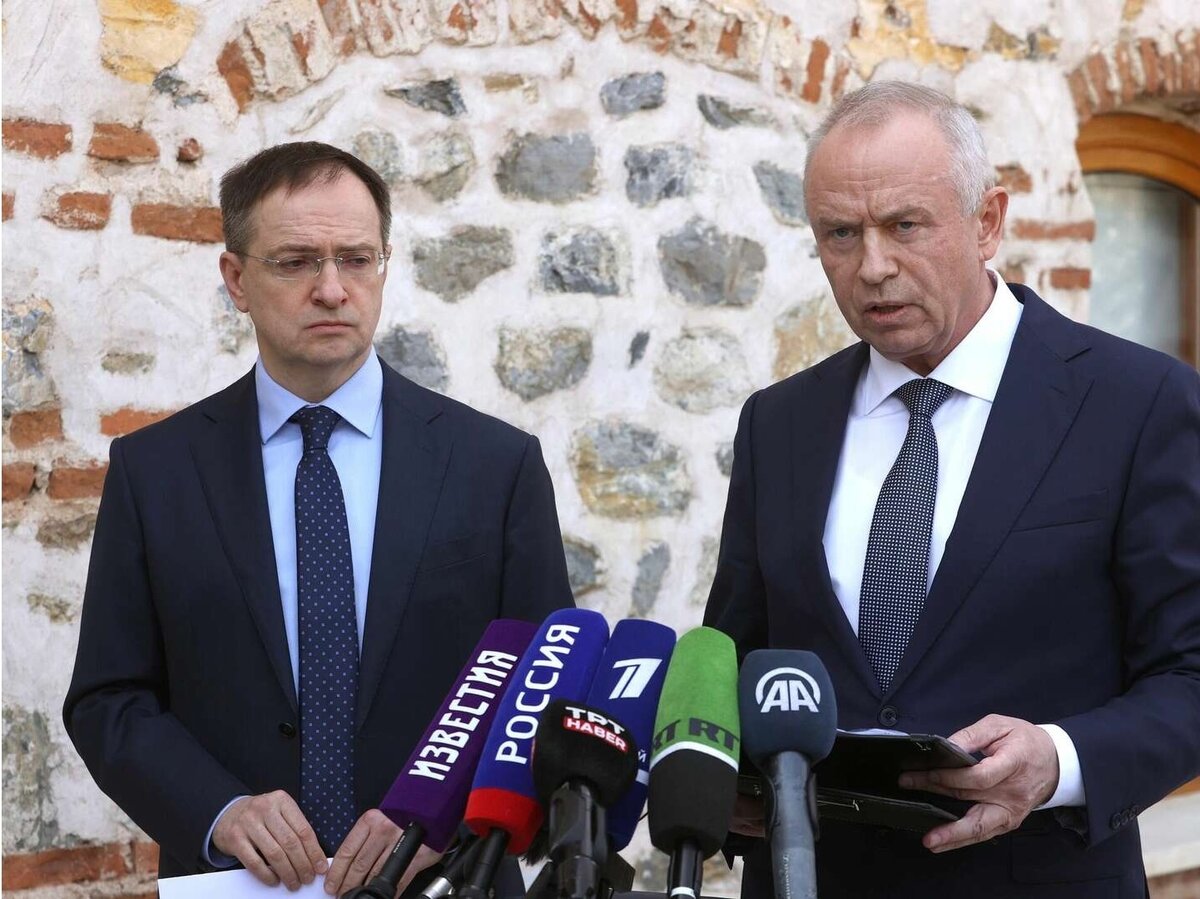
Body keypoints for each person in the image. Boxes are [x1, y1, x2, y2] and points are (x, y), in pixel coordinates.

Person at [704, 82, 1200, 897]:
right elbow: (731, 657)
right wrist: (720, 777)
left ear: (988, 221)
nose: (872, 267)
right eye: (840, 233)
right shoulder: (779, 422)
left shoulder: (1138, 404)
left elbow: (1190, 673)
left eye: (905, 225)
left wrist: (1059, 760)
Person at [64, 142, 574, 895]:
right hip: (238, 882)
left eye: (356, 260)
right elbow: (109, 700)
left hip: (449, 878)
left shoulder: (496, 464)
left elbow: (547, 689)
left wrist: (444, 818)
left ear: (383, 267)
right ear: (236, 279)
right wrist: (221, 810)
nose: (332, 289)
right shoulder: (156, 471)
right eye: (296, 262)